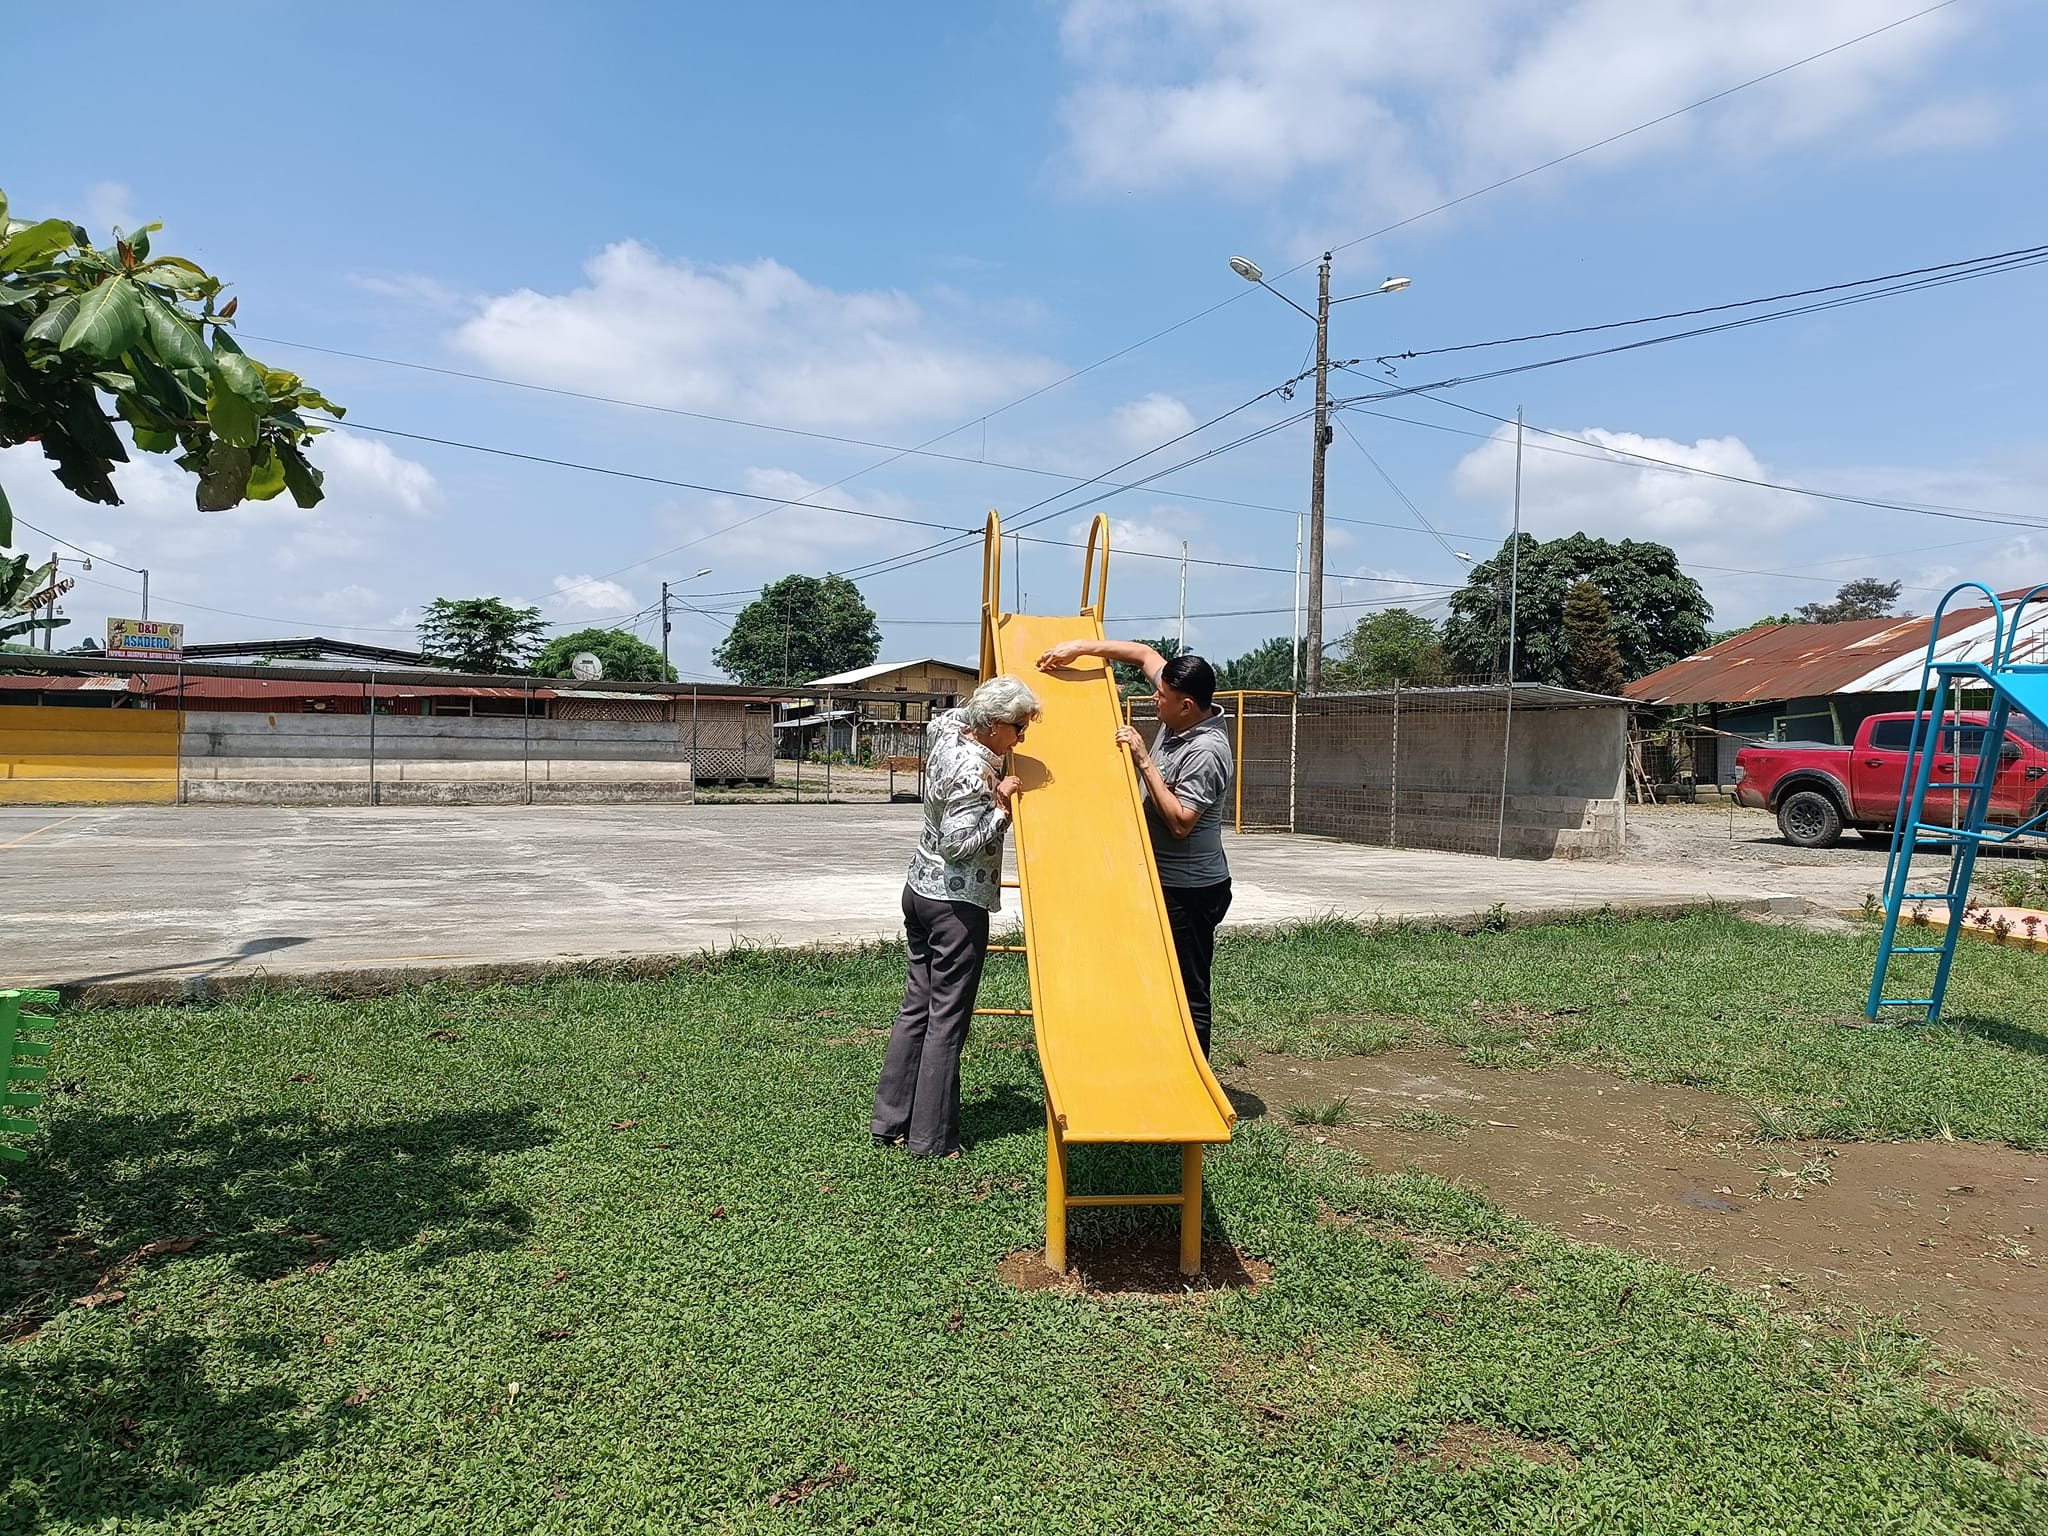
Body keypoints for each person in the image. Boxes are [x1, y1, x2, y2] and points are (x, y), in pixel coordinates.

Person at [872, 674, 1043, 1158]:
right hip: (955, 904)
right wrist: (1001, 807)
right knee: (947, 1020)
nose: (1020, 739)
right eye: (1017, 728)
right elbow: (958, 844)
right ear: (992, 724)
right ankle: (931, 1139)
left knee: (917, 1008)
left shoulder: (948, 731)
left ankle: (891, 1120)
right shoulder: (973, 770)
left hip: (918, 890)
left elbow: (946, 718)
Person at [1036, 641, 1233, 1056]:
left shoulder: (1206, 751)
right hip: (1158, 877)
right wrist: (1081, 648)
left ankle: (1194, 1074)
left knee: (1187, 987)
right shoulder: (1180, 706)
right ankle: (1160, 1059)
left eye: (1162, 696)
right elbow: (1143, 654)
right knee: (1151, 977)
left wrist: (1144, 761)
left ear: (1186, 705)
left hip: (1189, 891)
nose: (1153, 698)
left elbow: (1180, 823)